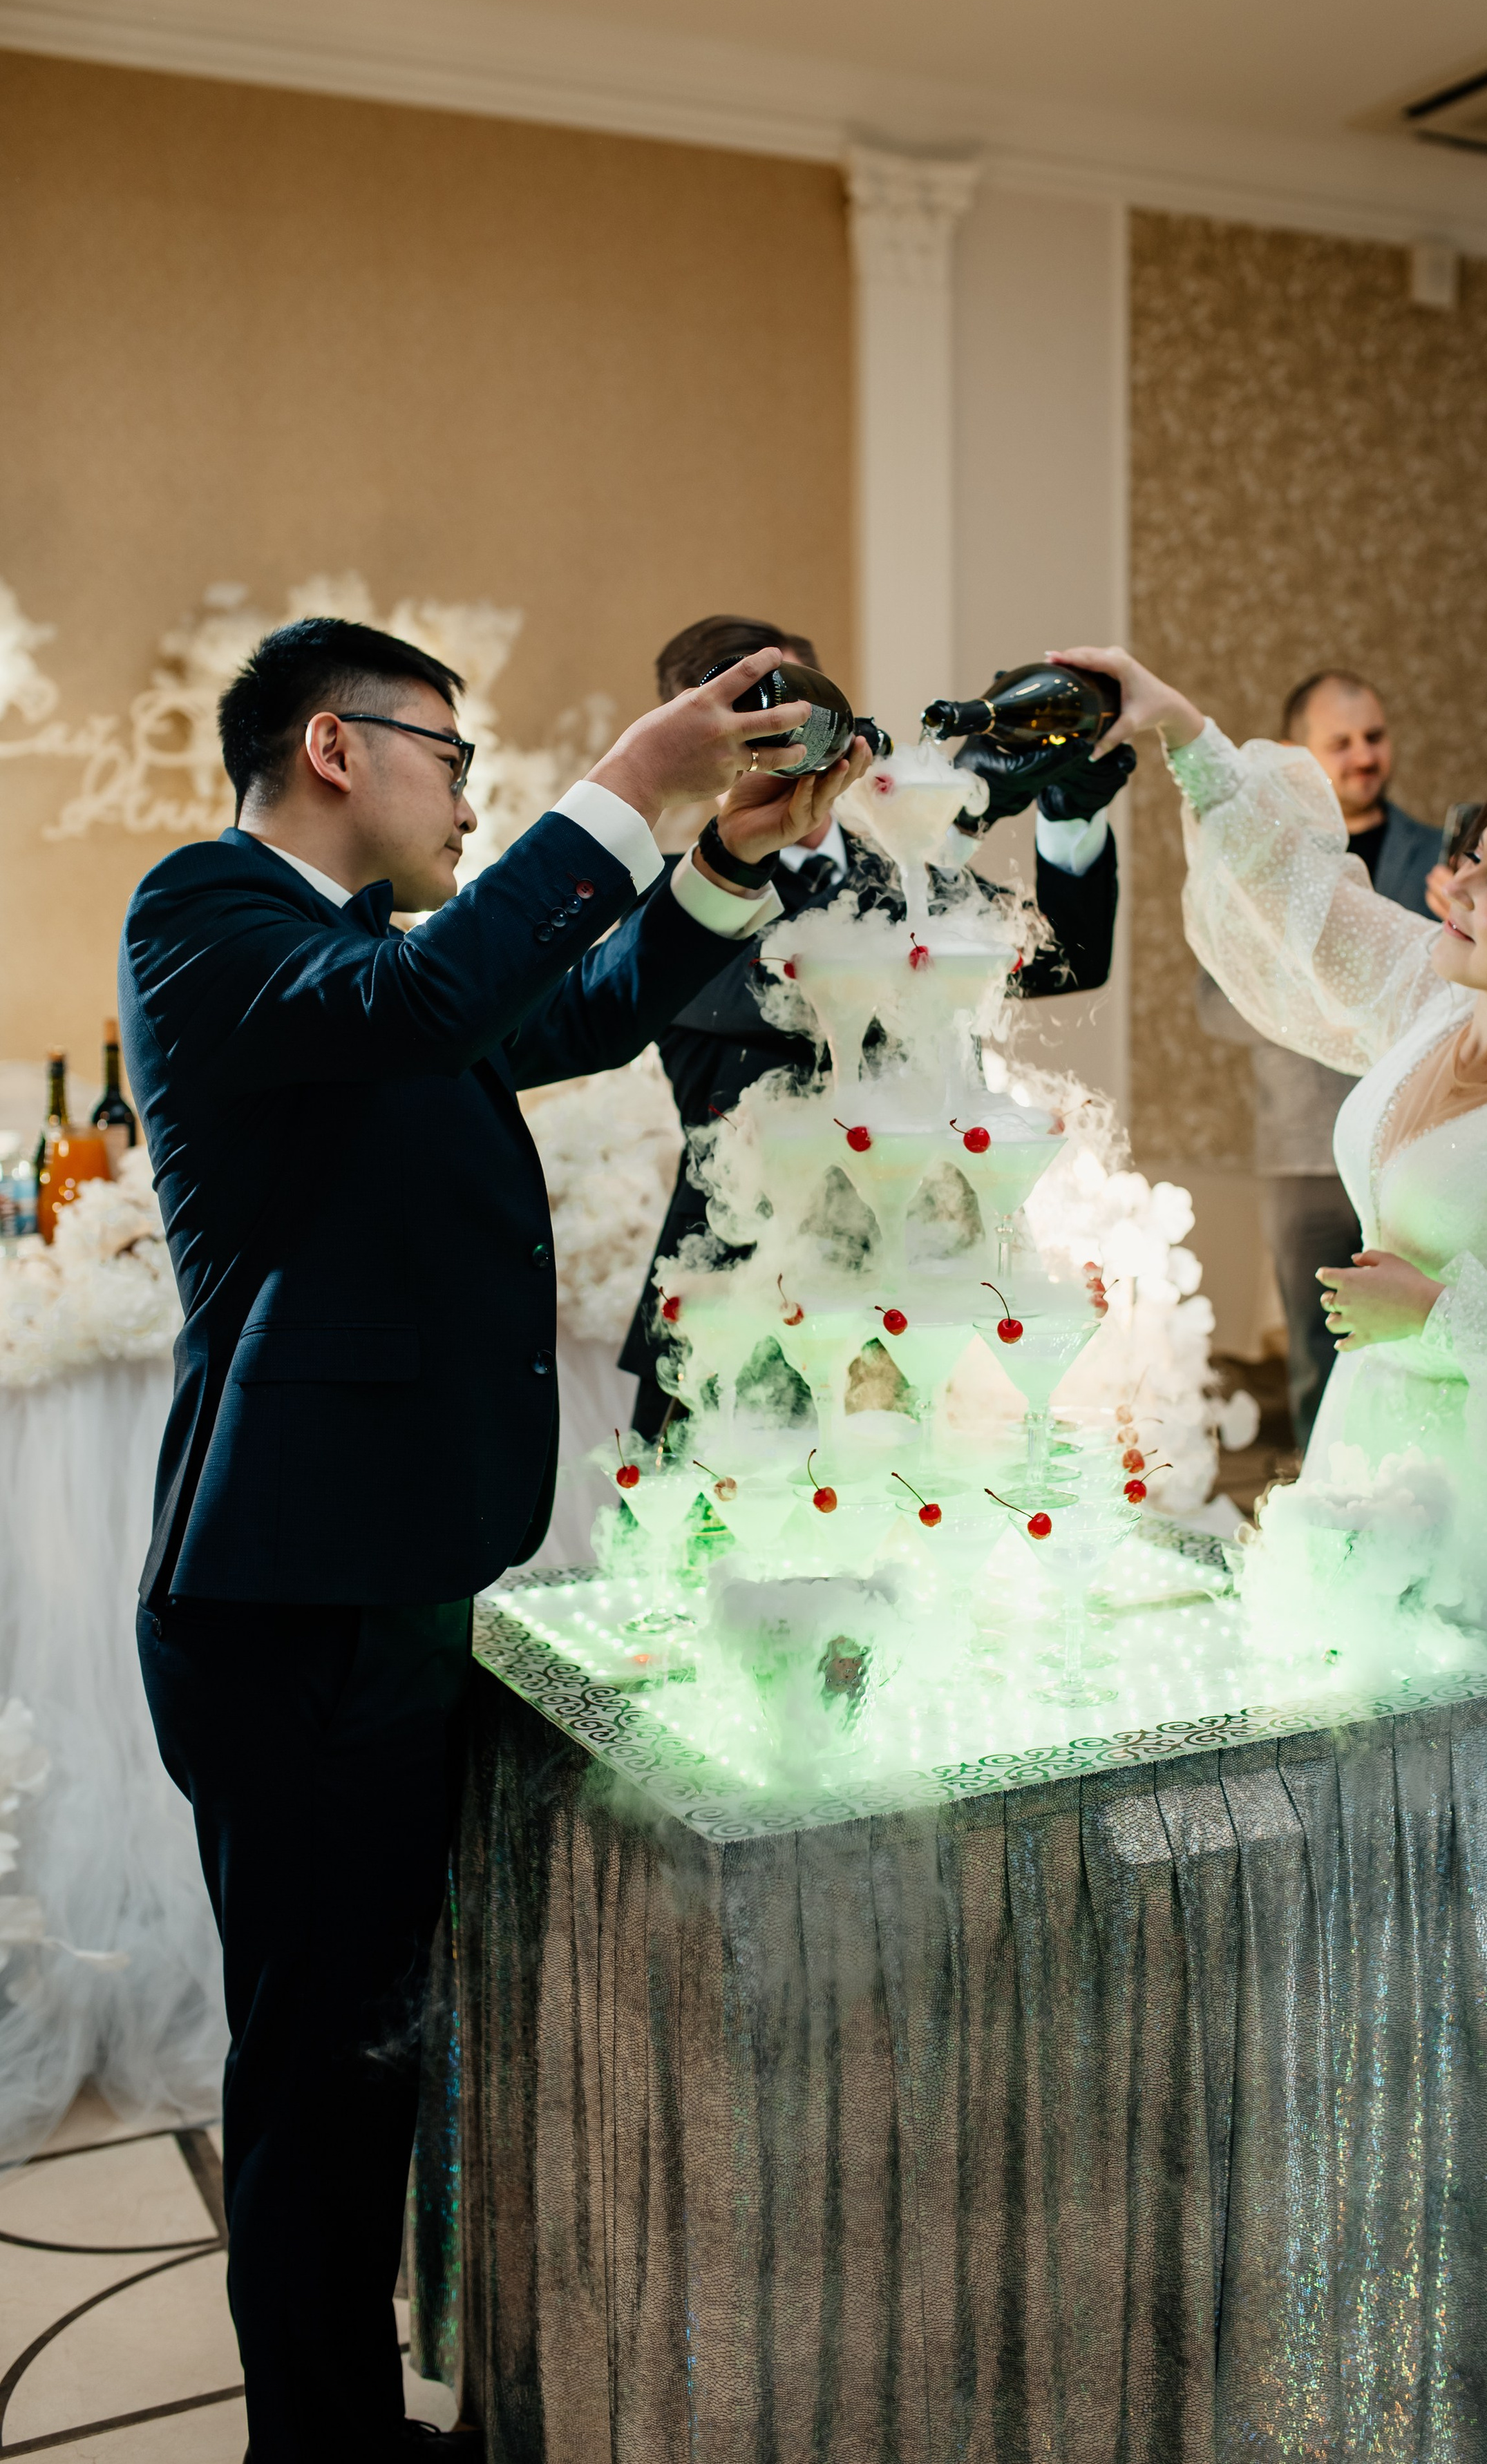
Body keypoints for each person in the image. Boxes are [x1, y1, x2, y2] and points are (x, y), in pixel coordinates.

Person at [123, 616, 865, 2464]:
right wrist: (636, 778)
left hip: (379, 1576)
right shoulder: (204, 916)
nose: (471, 787)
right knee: (314, 2073)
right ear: (331, 746)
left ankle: (356, 2424)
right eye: (451, 753)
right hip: (284, 1596)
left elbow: (582, 1004)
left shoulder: (372, 961)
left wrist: (733, 857)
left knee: (380, 2044)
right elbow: (438, 1006)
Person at [1057, 640, 1487, 2464]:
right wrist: (1182, 732)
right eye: (1472, 860)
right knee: (1379, 1914)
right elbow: (1305, 904)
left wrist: (1442, 1313)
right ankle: (1384, 2250)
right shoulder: (1436, 1009)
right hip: (1382, 1502)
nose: (1451, 886)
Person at [618, 613, 1134, 1435]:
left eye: (802, 713)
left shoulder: (904, 873)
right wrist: (961, 829)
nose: (787, 743)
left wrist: (1064, 811)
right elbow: (818, 983)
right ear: (701, 747)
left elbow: (1067, 956)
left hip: (917, 1298)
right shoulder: (667, 906)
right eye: (754, 719)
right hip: (745, 1304)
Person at [1194, 669, 1449, 1446]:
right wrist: (1327, 1009)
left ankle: (1406, 1503)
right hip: (1304, 1144)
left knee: (1411, 1346)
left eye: (1374, 736)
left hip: (1418, 1140)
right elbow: (1214, 1001)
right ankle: (1315, 1504)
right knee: (1313, 1343)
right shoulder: (1269, 862)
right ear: (1299, 754)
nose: (1364, 755)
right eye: (1340, 742)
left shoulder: (1446, 859)